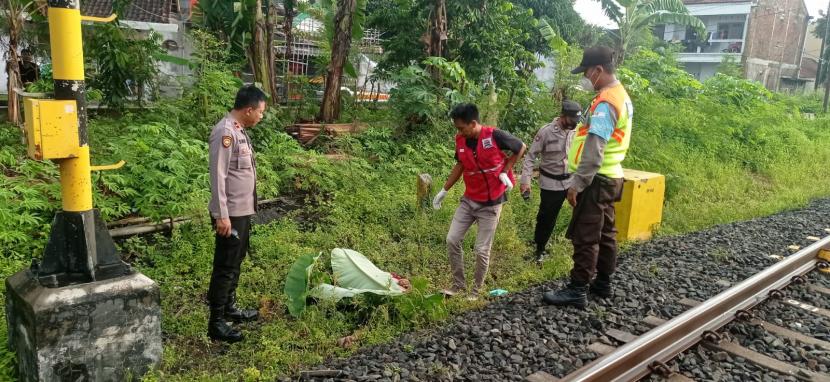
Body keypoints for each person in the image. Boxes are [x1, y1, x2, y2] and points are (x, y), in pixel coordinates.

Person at [542, 46, 633, 309]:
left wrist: (578, 183)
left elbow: (595, 147)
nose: (586, 78)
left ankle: (577, 289)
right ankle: (602, 284)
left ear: (598, 70)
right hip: (611, 176)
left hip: (596, 178)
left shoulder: (606, 102)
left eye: (587, 72)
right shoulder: (620, 95)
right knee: (606, 234)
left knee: (586, 235)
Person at [433, 103, 526, 301]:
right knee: (452, 239)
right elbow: (460, 164)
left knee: (481, 249)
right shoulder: (461, 140)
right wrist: (444, 190)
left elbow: (521, 147)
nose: (459, 132)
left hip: (491, 203)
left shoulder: (494, 136)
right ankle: (458, 286)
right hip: (469, 200)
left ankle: (476, 291)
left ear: (473, 123)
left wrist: (505, 169)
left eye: (461, 127)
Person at [207, 85, 267, 342]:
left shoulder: (240, 131)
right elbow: (218, 176)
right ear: (249, 109)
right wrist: (222, 215)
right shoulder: (225, 132)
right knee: (225, 266)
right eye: (261, 112)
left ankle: (230, 308)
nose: (261, 116)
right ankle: (216, 322)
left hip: (241, 211)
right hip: (230, 213)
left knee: (236, 262)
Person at [520, 100, 581, 263]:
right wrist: (525, 181)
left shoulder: (577, 130)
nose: (575, 124)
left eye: (577, 120)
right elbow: (530, 156)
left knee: (581, 213)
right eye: (572, 120)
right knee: (546, 218)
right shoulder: (546, 132)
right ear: (563, 116)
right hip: (551, 183)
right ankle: (539, 249)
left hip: (572, 181)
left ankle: (579, 248)